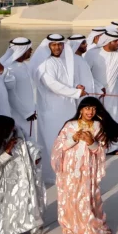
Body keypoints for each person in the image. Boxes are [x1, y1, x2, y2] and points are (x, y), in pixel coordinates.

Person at [52, 97, 118, 234]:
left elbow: (100, 151)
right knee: (71, 196)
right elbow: (59, 147)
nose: (90, 112)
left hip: (87, 170)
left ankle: (89, 226)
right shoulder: (70, 125)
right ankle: (73, 227)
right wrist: (74, 138)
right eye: (87, 108)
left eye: (93, 108)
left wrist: (91, 142)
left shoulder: (98, 126)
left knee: (87, 196)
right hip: (70, 168)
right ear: (80, 110)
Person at [32, 34, 87, 183]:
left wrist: (76, 88)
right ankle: (54, 175)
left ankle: (68, 170)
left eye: (60, 45)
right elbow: (53, 85)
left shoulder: (62, 61)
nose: (57, 47)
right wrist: (75, 92)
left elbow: (64, 83)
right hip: (52, 110)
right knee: (54, 141)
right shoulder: (45, 64)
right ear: (48, 46)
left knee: (68, 139)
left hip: (66, 107)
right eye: (54, 45)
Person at [0, 38, 38, 139]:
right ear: (22, 50)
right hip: (18, 114)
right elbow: (10, 94)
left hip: (29, 113)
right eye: (29, 49)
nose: (31, 50)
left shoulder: (24, 65)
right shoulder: (9, 69)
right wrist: (26, 112)